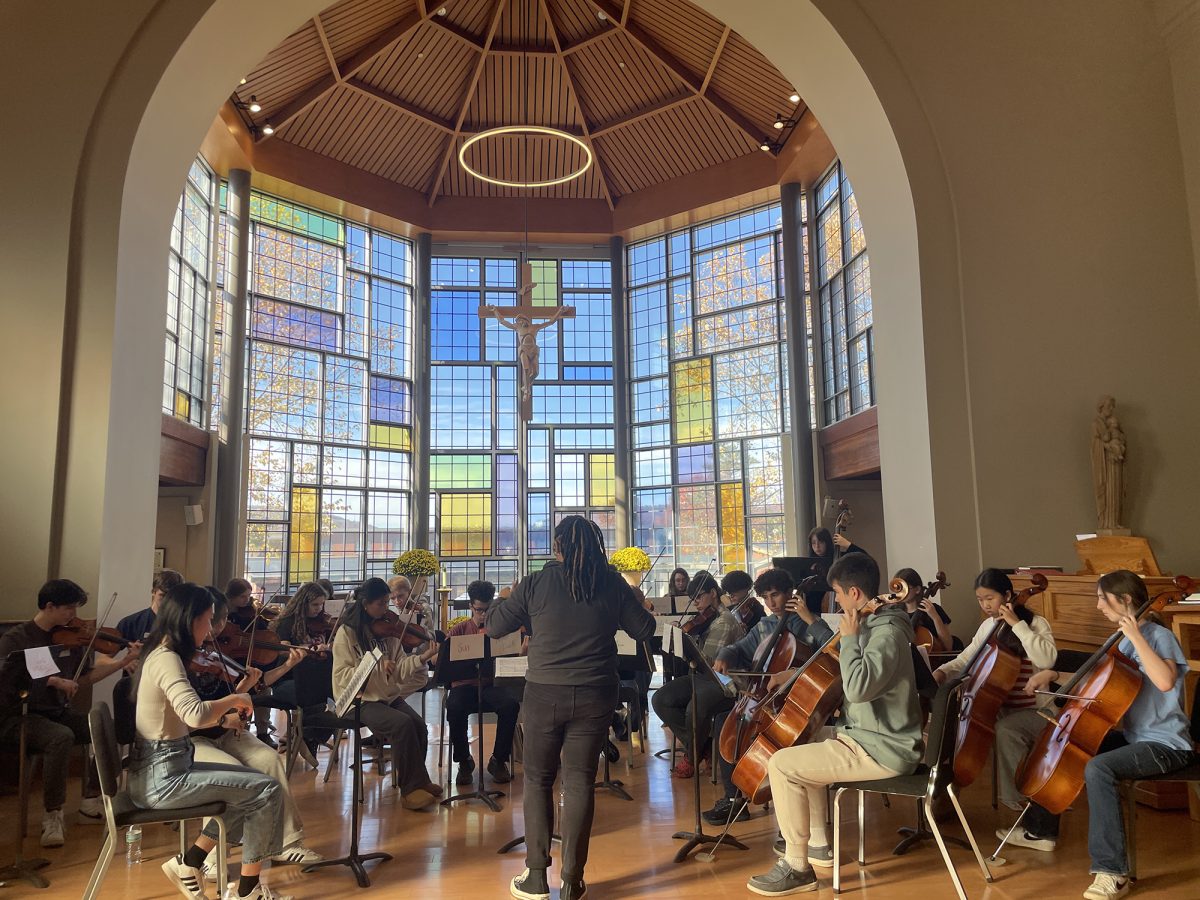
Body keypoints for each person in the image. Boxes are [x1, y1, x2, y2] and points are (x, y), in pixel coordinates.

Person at [487, 516, 655, 900]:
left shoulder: (536, 582)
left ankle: (534, 876)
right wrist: (631, 599)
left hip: (545, 692)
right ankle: (573, 879)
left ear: (558, 547)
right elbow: (644, 630)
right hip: (597, 692)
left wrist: (510, 596)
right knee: (579, 781)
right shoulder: (611, 582)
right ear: (595, 546)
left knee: (538, 780)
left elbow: (495, 627)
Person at [745, 552, 923, 895]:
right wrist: (796, 672)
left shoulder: (885, 635)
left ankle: (797, 867)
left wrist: (853, 637)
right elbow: (841, 671)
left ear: (854, 594)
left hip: (883, 747)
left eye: (839, 594)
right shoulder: (873, 626)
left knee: (781, 764)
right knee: (802, 741)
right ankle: (818, 844)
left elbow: (856, 687)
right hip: (867, 737)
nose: (837, 602)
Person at [1022, 570, 1196, 900]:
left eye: (1103, 598)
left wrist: (1138, 637)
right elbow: (1098, 681)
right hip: (1136, 738)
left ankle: (1112, 873)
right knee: (1072, 744)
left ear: (1125, 600)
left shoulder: (1159, 636)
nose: (1098, 605)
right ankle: (1039, 827)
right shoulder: (1122, 640)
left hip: (1166, 744)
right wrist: (1056, 673)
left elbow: (1164, 682)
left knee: (1099, 768)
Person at [129, 581, 290, 900]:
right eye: (207, 619)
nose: (210, 628)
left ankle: (189, 863)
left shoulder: (162, 652)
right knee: (266, 790)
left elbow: (181, 719)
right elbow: (194, 714)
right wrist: (235, 697)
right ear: (190, 620)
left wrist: (229, 706)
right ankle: (248, 892)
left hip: (167, 764)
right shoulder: (166, 658)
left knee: (249, 791)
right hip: (163, 778)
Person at [189, 589, 323, 881]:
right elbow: (190, 715)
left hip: (225, 734)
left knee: (269, 759)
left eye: (220, 622)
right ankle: (213, 855)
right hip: (194, 738)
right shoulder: (185, 658)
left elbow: (260, 687)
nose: (216, 629)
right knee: (231, 774)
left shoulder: (222, 654)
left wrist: (287, 665)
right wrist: (226, 715)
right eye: (211, 622)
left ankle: (286, 842)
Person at [0, 579, 139, 848]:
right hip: (17, 716)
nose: (74, 617)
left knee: (102, 726)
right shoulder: (17, 638)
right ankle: (53, 814)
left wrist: (123, 661)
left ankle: (91, 799)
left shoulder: (72, 640)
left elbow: (84, 679)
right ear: (49, 606)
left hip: (55, 711)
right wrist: (53, 681)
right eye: (69, 609)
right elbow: (8, 678)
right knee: (60, 737)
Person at [933, 568, 1059, 845]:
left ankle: (1022, 809)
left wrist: (1018, 625)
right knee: (952, 726)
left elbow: (1047, 659)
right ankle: (945, 792)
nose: (985, 605)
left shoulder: (1036, 624)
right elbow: (966, 659)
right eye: (980, 600)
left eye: (989, 598)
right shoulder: (988, 627)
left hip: (1037, 712)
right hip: (998, 708)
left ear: (1008, 595)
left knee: (1006, 729)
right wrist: (942, 670)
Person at [706, 567, 835, 825]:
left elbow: (832, 651)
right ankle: (734, 801)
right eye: (766, 597)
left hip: (796, 702)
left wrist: (809, 618)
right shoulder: (765, 625)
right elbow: (739, 648)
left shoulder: (809, 624)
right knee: (724, 722)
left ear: (791, 594)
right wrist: (725, 655)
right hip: (767, 697)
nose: (771, 603)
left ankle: (789, 810)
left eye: (775, 595)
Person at [331, 577, 443, 810]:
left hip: (386, 696)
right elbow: (341, 675)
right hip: (359, 700)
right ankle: (410, 790)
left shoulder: (389, 632)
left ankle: (420, 781)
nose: (387, 609)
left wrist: (421, 658)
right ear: (365, 604)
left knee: (418, 725)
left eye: (387, 602)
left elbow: (400, 670)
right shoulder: (347, 633)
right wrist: (373, 664)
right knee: (402, 724)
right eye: (381, 603)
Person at [652, 571, 745, 778]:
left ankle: (691, 756)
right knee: (661, 699)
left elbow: (709, 661)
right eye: (692, 599)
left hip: (726, 681)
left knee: (696, 705)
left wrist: (687, 644)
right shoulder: (706, 620)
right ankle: (702, 748)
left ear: (713, 593)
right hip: (705, 677)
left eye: (698, 597)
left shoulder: (725, 620)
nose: (695, 604)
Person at [445, 580, 521, 786]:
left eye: (488, 610)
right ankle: (464, 761)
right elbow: (441, 660)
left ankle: (498, 761)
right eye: (479, 610)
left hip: (490, 685)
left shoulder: (498, 631)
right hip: (464, 686)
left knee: (510, 704)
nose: (484, 615)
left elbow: (511, 658)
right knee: (454, 707)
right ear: (471, 606)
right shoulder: (459, 630)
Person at [271, 582, 336, 761]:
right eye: (315, 604)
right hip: (288, 680)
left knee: (341, 701)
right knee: (317, 699)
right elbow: (282, 651)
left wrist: (329, 647)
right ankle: (304, 736)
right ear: (302, 603)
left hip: (317, 680)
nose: (319, 608)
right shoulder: (287, 623)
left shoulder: (323, 622)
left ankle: (306, 736)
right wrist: (306, 648)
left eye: (322, 604)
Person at [805, 527, 866, 615]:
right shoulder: (809, 563)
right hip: (815, 612)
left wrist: (847, 544)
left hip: (839, 606)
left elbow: (863, 557)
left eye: (821, 542)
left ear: (827, 542)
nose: (817, 546)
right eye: (813, 543)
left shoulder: (839, 558)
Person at [894, 567, 955, 652]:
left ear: (917, 589)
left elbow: (948, 646)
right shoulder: (895, 614)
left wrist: (935, 617)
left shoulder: (934, 609)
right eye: (898, 588)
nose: (901, 592)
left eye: (905, 588)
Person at [115, 568, 183, 643]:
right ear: (153, 591)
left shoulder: (186, 625)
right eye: (163, 596)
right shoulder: (131, 623)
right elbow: (104, 655)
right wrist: (132, 655)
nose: (167, 601)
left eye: (172, 597)